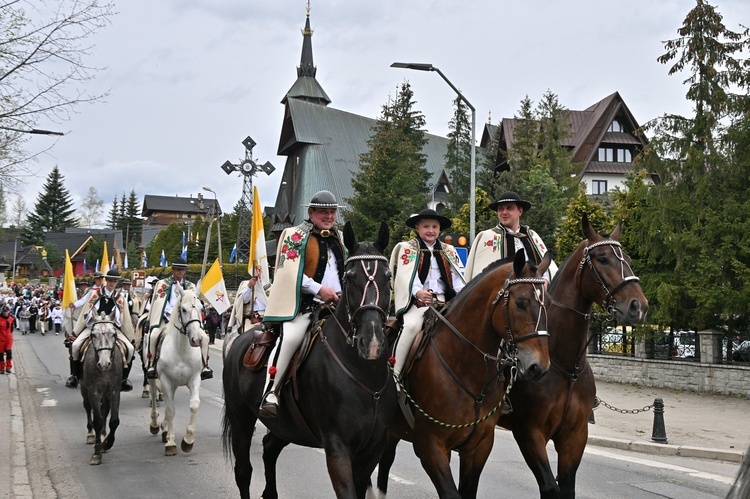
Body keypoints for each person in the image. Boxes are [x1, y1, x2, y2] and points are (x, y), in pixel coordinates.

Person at [260, 190, 345, 418]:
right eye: (323, 212)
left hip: (337, 305)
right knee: (290, 338)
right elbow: (289, 272)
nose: (328, 216)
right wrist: (320, 289)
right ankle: (272, 390)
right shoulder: (294, 234)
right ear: (311, 212)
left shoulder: (340, 237)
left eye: (332, 212)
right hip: (305, 306)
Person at [389, 209, 466, 380]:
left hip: (446, 301)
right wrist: (418, 292)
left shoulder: (449, 250)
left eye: (434, 226)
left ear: (439, 229)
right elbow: (406, 275)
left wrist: (463, 298)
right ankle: (394, 374)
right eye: (426, 226)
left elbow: (458, 277)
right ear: (417, 227)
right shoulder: (408, 248)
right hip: (419, 303)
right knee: (411, 327)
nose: (430, 230)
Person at [464, 191, 558, 283]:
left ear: (520, 211)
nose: (504, 212)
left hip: (533, 294)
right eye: (501, 209)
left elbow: (548, 268)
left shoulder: (532, 236)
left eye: (509, 208)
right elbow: (479, 276)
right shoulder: (487, 237)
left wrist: (545, 281)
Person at [67, 269, 136, 391]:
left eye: (114, 281)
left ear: (117, 282)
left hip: (112, 328)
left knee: (130, 349)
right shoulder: (95, 294)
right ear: (106, 280)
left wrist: (131, 337)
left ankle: (124, 379)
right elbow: (86, 312)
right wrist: (89, 320)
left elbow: (125, 319)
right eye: (109, 280)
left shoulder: (120, 298)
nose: (111, 283)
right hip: (94, 326)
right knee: (76, 346)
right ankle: (75, 376)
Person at [145, 257, 213, 380]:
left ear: (185, 271)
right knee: (153, 335)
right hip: (166, 320)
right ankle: (151, 364)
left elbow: (194, 305)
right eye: (177, 269)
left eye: (182, 270)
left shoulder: (191, 286)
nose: (180, 272)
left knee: (206, 338)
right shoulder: (162, 284)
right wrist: (170, 313)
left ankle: (204, 366)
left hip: (186, 321)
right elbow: (159, 303)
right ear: (173, 270)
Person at [0, 306, 14, 374]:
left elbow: (11, 329)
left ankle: (8, 367)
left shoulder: (11, 319)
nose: (5, 313)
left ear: (8, 311)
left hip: (8, 339)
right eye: (4, 311)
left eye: (6, 311)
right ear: (2, 312)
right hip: (1, 339)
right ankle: (2, 368)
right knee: (0, 354)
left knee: (9, 353)